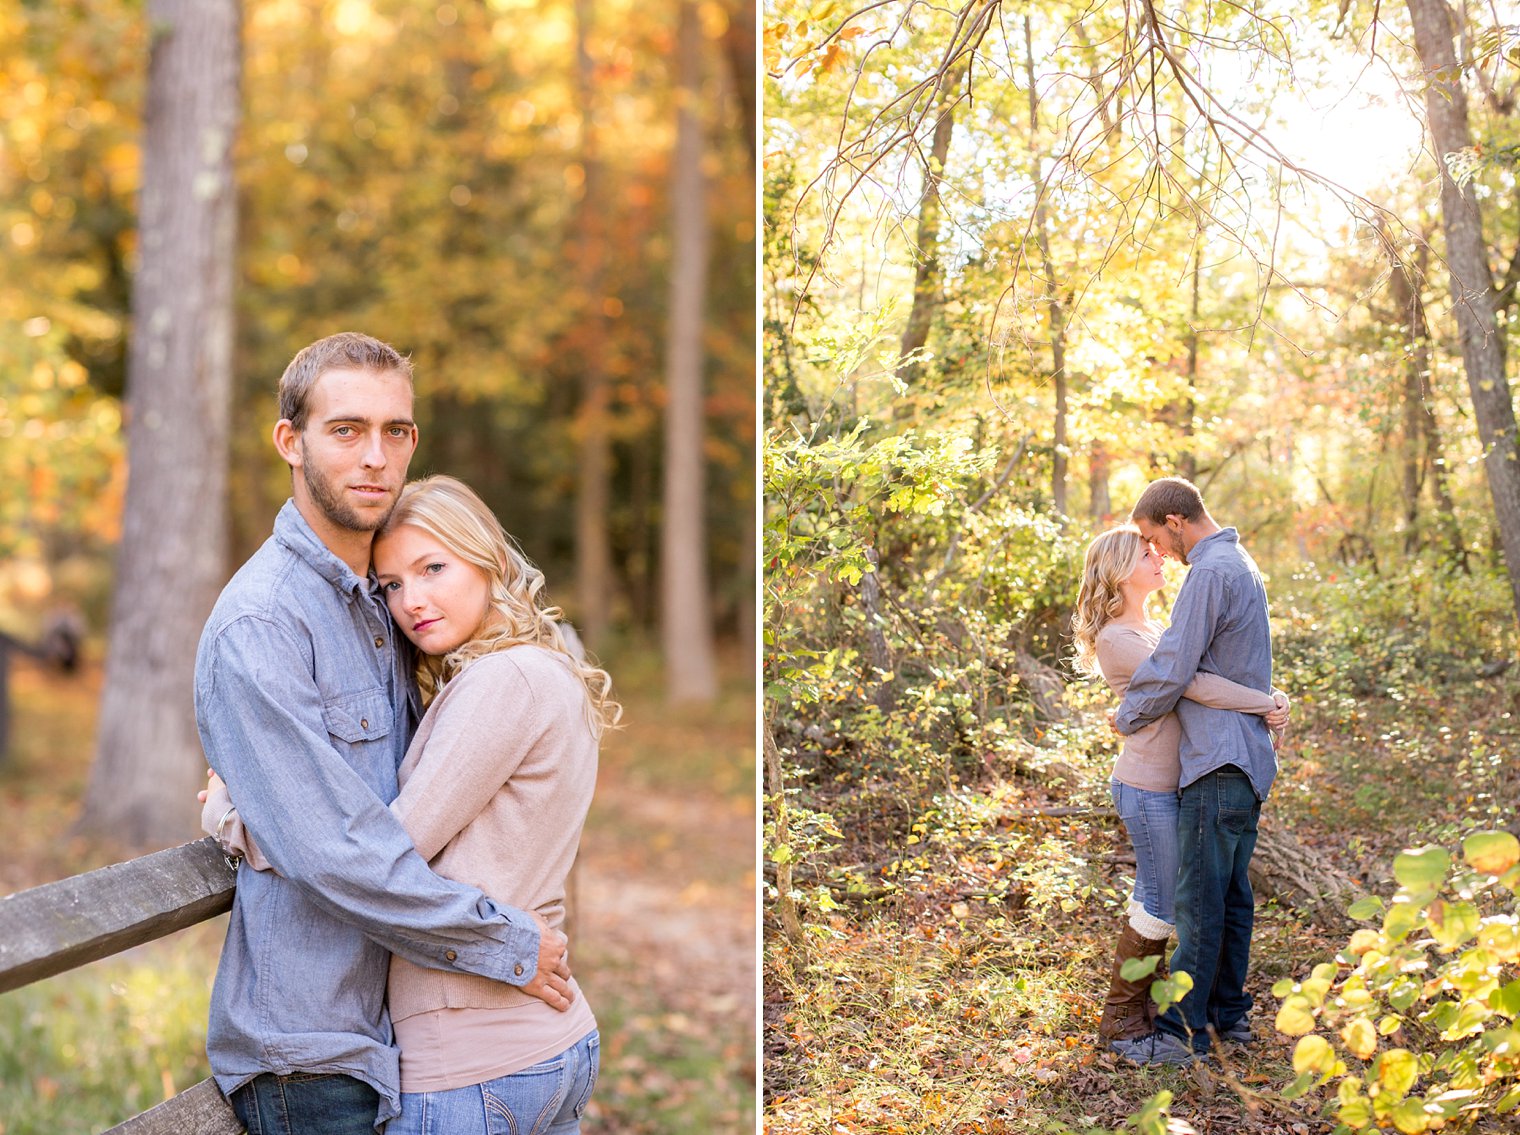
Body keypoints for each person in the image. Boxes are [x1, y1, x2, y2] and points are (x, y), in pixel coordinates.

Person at [194, 333, 574, 1134]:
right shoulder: (263, 624)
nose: (375, 456)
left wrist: (244, 817)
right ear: (290, 442)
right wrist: (505, 940)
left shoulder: (388, 608)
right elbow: (337, 854)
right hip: (315, 1052)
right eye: (346, 429)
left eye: (395, 431)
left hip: (405, 1041)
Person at [1071, 525, 1287, 1051]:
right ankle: (1121, 1022)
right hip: (1146, 786)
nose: (1159, 557)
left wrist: (1268, 696)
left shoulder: (1151, 629)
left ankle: (1144, 1009)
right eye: (1146, 554)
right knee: (1163, 900)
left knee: (1171, 898)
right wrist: (1265, 701)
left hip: (1175, 784)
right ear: (1119, 570)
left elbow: (1188, 676)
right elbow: (1189, 683)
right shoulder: (1117, 638)